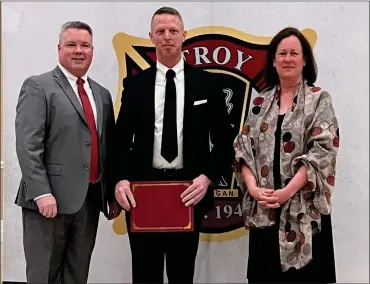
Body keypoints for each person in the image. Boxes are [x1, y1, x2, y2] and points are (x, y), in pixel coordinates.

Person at [112, 6, 234, 283]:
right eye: (160, 31)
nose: (167, 36)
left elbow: (225, 142)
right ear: (151, 37)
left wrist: (208, 178)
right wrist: (119, 180)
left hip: (188, 192)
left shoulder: (207, 85)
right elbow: (119, 141)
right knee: (145, 275)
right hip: (142, 194)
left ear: (184, 36)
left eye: (173, 31)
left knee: (182, 275)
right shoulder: (134, 85)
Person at [14, 21, 121, 284]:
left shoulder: (102, 94)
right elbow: (28, 145)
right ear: (59, 48)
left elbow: (105, 148)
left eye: (85, 45)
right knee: (44, 275)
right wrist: (41, 192)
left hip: (89, 201)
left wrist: (109, 195)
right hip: (48, 203)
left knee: (77, 275)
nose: (78, 51)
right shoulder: (38, 86)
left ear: (93, 51)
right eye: (71, 44)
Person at [233, 27, 339, 283]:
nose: (288, 58)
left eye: (294, 53)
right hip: (265, 211)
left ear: (304, 60)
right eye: (282, 53)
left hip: (305, 215)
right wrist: (254, 188)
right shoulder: (259, 102)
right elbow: (242, 150)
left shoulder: (319, 99)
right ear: (273, 60)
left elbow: (322, 151)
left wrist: (287, 192)